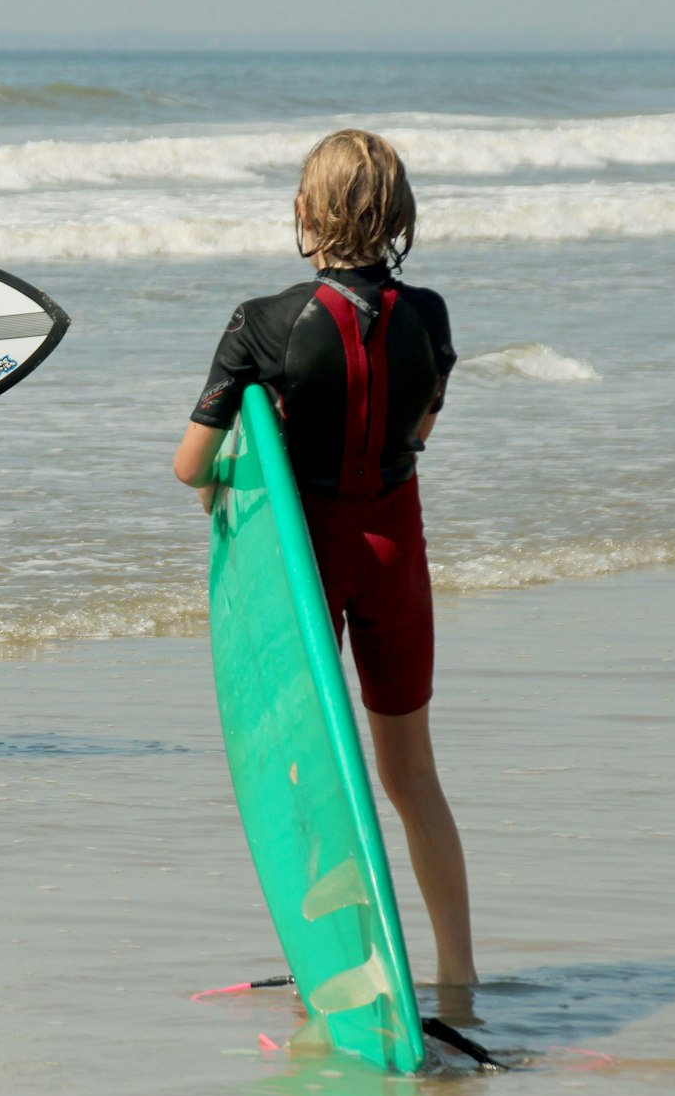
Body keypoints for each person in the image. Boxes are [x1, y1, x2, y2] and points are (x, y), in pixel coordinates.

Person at [171, 129, 477, 986]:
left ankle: (343, 971)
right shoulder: (432, 318)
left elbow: (191, 464)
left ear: (305, 214)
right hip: (394, 549)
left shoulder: (261, 324)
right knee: (412, 774)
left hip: (304, 565)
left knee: (311, 771)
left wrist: (230, 466)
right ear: (397, 218)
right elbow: (419, 432)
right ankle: (458, 972)